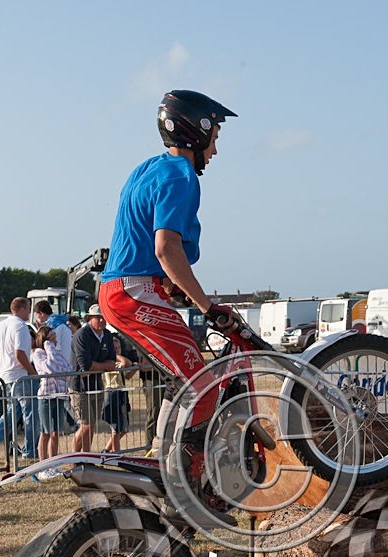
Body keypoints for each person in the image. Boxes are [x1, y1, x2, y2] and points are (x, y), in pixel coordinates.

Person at [98, 90, 238, 525]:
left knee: (190, 382)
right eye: (214, 135)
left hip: (129, 288)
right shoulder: (181, 176)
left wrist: (173, 289)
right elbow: (165, 247)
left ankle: (168, 465)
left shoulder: (148, 169)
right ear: (196, 129)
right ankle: (190, 492)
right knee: (204, 384)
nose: (216, 148)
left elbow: (142, 240)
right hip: (133, 290)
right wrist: (206, 304)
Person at [0, 297, 39, 463]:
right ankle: (30, 449)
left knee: (12, 413)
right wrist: (32, 372)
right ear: (21, 308)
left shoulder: (2, 325)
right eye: (28, 308)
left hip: (6, 374)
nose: (30, 311)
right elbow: (19, 353)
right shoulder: (19, 326)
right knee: (30, 413)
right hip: (19, 375)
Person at [69, 304, 116, 452]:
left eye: (104, 317)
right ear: (90, 318)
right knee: (86, 424)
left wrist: (99, 366)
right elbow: (86, 364)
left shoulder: (107, 335)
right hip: (80, 387)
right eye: (99, 317)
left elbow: (113, 363)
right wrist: (104, 366)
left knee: (92, 424)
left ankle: (87, 456)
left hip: (96, 384)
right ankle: (76, 458)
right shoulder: (81, 335)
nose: (102, 320)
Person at [31, 325, 72, 479]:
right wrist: (48, 346)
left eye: (55, 335)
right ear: (44, 338)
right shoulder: (38, 353)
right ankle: (43, 466)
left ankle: (53, 464)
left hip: (59, 395)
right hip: (46, 397)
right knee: (46, 432)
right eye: (51, 336)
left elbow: (67, 369)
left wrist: (53, 351)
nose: (55, 338)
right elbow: (51, 368)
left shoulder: (57, 351)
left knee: (55, 433)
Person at [101, 334, 137, 452]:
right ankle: (116, 453)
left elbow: (127, 376)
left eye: (119, 348)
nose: (118, 351)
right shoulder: (109, 362)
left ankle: (106, 450)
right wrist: (115, 355)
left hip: (121, 392)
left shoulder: (117, 362)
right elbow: (126, 363)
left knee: (124, 428)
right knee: (116, 428)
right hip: (112, 393)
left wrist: (136, 368)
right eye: (115, 348)